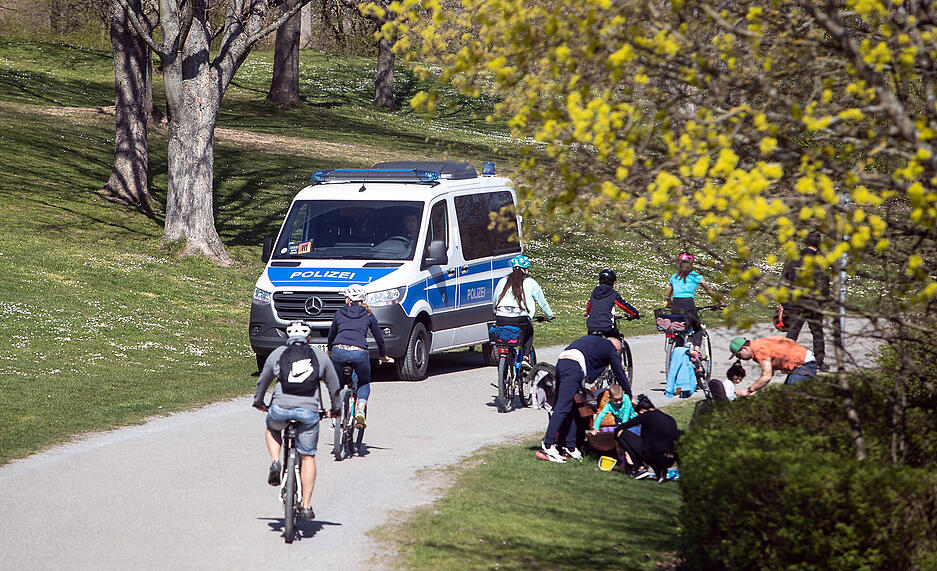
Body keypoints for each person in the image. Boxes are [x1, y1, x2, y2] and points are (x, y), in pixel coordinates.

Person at [253, 321, 341, 521]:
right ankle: (307, 506)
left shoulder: (278, 354)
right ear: (309, 338)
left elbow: (263, 380)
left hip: (280, 408)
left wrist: (259, 401)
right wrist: (335, 409)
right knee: (308, 456)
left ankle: (276, 462)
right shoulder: (318, 355)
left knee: (272, 428)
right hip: (309, 411)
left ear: (287, 337)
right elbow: (333, 385)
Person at [539, 334, 630, 463]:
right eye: (619, 352)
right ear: (617, 347)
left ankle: (570, 446)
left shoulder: (594, 341)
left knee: (573, 408)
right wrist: (629, 394)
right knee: (563, 407)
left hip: (563, 363)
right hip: (573, 368)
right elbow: (619, 372)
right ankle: (548, 445)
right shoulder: (610, 348)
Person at [327, 284, 392, 427]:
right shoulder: (368, 314)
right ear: (363, 299)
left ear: (347, 299)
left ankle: (335, 411)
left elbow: (332, 334)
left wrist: (330, 349)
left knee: (336, 382)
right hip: (359, 352)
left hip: (339, 350)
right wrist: (383, 355)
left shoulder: (339, 313)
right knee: (363, 382)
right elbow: (378, 337)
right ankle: (360, 410)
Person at [781, 231, 833, 371]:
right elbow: (824, 286)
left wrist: (784, 302)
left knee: (793, 332)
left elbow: (784, 279)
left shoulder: (794, 259)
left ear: (805, 242)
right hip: (813, 303)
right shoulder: (820, 262)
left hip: (796, 302)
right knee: (817, 332)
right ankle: (819, 362)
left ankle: (784, 360)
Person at [493, 254, 555, 363]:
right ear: (526, 269)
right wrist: (549, 316)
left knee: (505, 338)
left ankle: (505, 366)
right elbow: (542, 302)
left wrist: (495, 312)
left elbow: (495, 299)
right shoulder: (530, 282)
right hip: (520, 317)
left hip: (501, 315)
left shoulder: (503, 280)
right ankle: (525, 358)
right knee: (529, 334)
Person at [615, 394, 681, 482]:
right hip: (670, 460)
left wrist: (618, 444)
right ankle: (661, 473)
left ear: (641, 411)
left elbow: (622, 427)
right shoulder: (670, 419)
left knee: (622, 434)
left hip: (655, 457)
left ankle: (640, 468)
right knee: (658, 446)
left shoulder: (646, 415)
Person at [664, 252, 721, 353]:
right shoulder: (696, 277)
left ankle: (677, 352)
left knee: (679, 328)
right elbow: (709, 291)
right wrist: (719, 302)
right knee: (698, 328)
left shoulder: (674, 277)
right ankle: (696, 351)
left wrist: (668, 303)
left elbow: (667, 295)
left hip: (675, 306)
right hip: (689, 305)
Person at [729, 335, 818, 397]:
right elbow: (770, 373)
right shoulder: (758, 345)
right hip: (804, 363)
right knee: (786, 397)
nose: (739, 359)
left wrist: (748, 390)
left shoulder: (759, 350)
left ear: (744, 349)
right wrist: (756, 388)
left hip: (804, 365)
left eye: (738, 355)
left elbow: (766, 376)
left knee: (790, 400)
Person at [585, 268, 640, 337]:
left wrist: (587, 314)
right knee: (616, 341)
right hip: (606, 325)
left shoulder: (594, 292)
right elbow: (624, 306)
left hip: (591, 326)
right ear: (612, 282)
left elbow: (589, 306)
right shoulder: (613, 293)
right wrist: (635, 313)